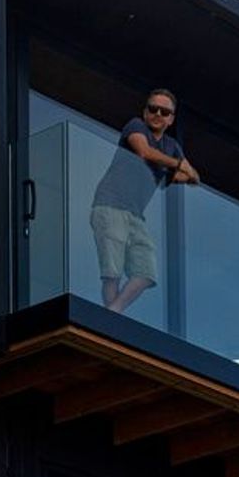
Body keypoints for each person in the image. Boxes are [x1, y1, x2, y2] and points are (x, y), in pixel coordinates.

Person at [89, 88, 200, 313]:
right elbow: (143, 152)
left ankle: (113, 312)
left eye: (165, 111)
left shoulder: (171, 146)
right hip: (110, 204)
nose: (158, 114)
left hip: (135, 214)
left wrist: (178, 170)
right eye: (153, 109)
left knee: (145, 272)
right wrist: (177, 165)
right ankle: (113, 319)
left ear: (171, 119)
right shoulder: (136, 126)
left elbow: (193, 177)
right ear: (145, 111)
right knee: (112, 273)